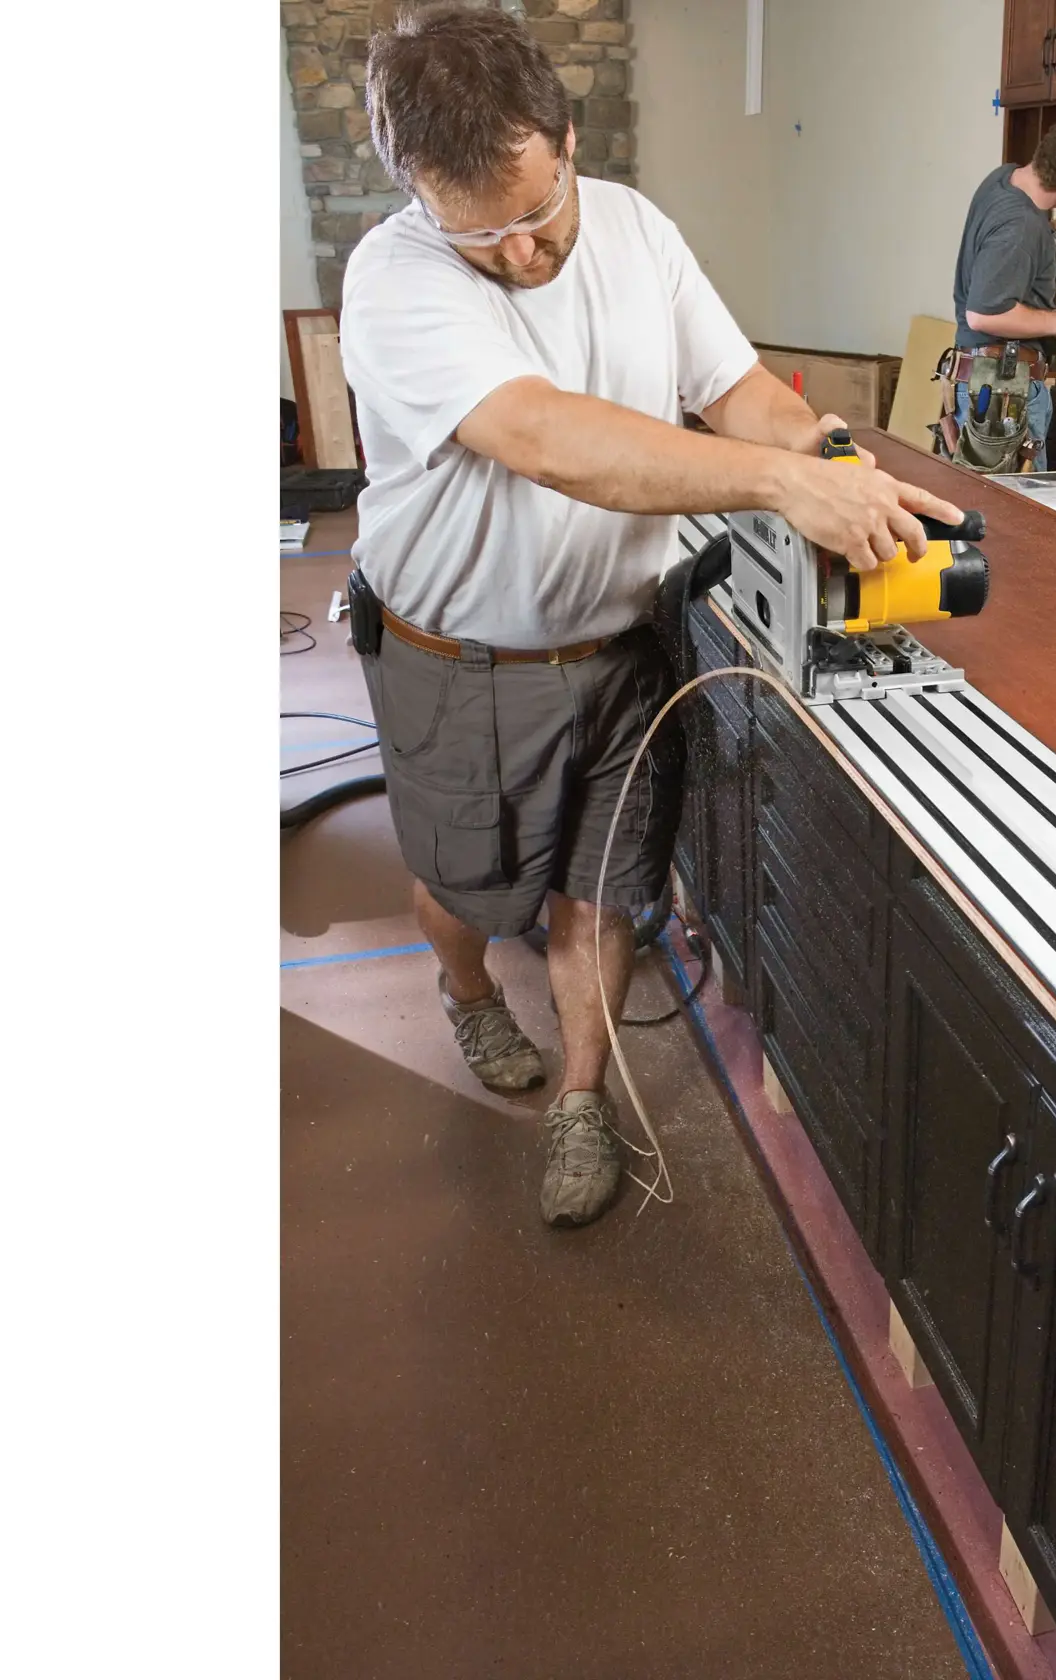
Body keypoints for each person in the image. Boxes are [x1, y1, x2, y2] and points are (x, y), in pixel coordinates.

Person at [339, 5, 962, 1230]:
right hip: (456, 655)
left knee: (601, 884)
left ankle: (583, 1096)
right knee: (460, 888)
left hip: (619, 641)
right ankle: (468, 991)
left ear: (566, 137)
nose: (520, 254)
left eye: (536, 213)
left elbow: (731, 391)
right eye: (482, 238)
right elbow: (541, 436)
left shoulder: (637, 228)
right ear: (421, 199)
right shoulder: (392, 275)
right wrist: (783, 485)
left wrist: (831, 456)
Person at [946, 111, 1056, 471]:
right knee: (1012, 515)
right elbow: (985, 312)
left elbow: (1041, 240)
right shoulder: (1019, 226)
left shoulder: (1006, 181)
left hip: (989, 380)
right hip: (1002, 391)